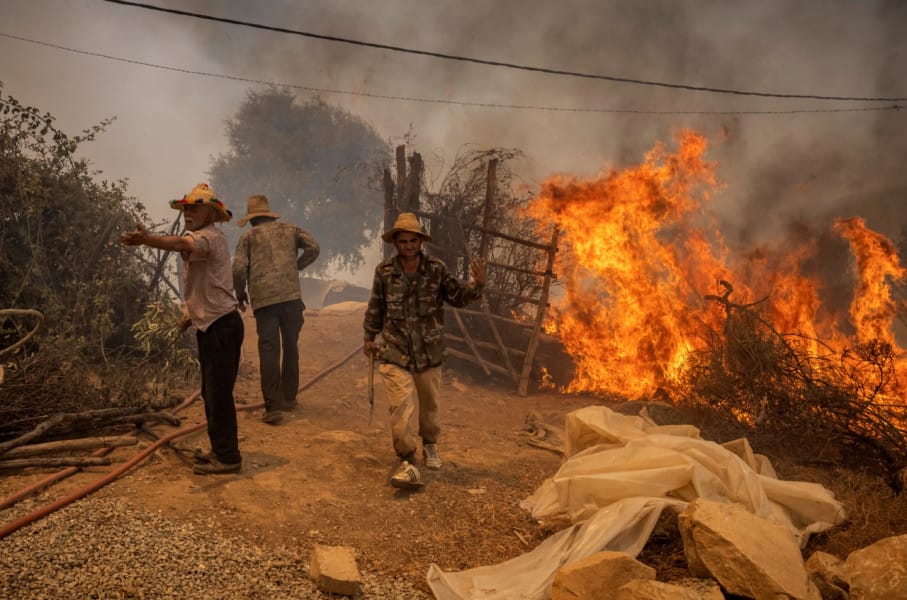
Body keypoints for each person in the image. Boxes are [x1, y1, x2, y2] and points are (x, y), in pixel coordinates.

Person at [120, 183, 244, 475]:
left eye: (194, 207)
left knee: (218, 394)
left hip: (221, 327)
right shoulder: (205, 237)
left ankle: (228, 458)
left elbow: (181, 245)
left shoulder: (208, 237)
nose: (187, 212)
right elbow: (208, 282)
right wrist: (191, 313)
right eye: (186, 207)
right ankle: (220, 451)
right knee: (211, 392)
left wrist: (147, 239)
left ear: (210, 213)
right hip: (214, 323)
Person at [363, 212, 486, 489]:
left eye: (412, 240)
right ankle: (407, 457)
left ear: (420, 241)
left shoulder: (437, 269)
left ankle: (430, 445)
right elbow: (376, 306)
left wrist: (477, 285)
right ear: (396, 243)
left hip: (429, 353)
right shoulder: (384, 272)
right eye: (402, 241)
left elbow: (458, 296)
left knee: (429, 409)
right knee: (401, 407)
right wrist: (369, 337)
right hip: (396, 353)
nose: (408, 245)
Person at [232, 194, 320, 425]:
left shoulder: (248, 237)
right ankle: (289, 399)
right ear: (268, 214)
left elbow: (239, 269)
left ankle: (272, 407)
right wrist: (295, 267)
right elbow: (313, 247)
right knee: (291, 346)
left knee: (269, 351)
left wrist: (240, 294)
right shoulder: (290, 229)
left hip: (264, 304)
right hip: (291, 299)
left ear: (251, 219)